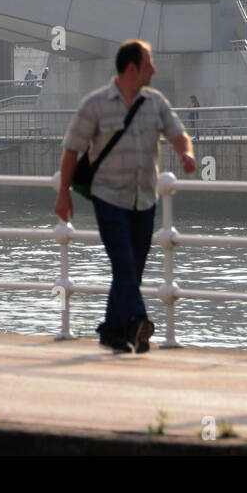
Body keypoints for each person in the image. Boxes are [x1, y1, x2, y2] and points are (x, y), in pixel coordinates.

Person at [55, 40, 195, 353]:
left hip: (145, 199)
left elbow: (177, 133)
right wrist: (63, 195)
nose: (154, 70)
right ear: (132, 69)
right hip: (108, 198)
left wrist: (185, 153)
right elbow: (71, 151)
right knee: (124, 263)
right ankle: (138, 323)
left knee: (132, 270)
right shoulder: (95, 105)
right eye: (149, 65)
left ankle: (112, 332)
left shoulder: (155, 102)